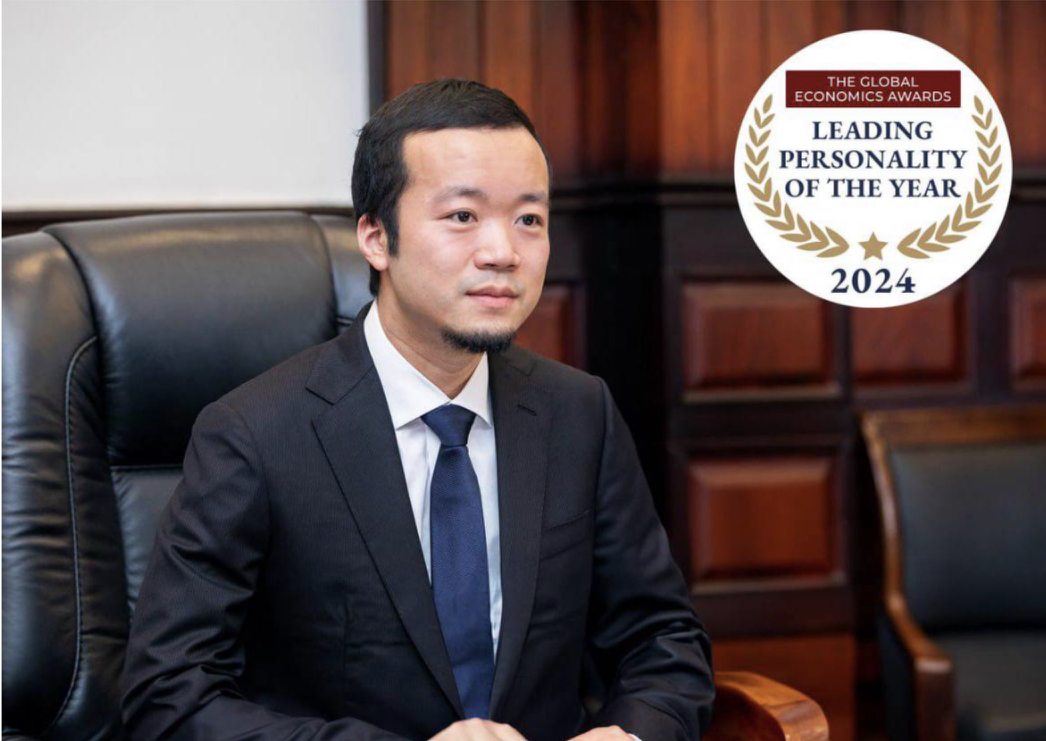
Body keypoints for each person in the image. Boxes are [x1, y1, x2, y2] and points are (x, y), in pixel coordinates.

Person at [121, 78, 715, 741]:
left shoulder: (579, 413)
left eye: (529, 219)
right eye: (462, 216)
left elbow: (662, 640)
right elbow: (167, 694)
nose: (503, 252)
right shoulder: (256, 434)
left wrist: (633, 734)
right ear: (376, 237)